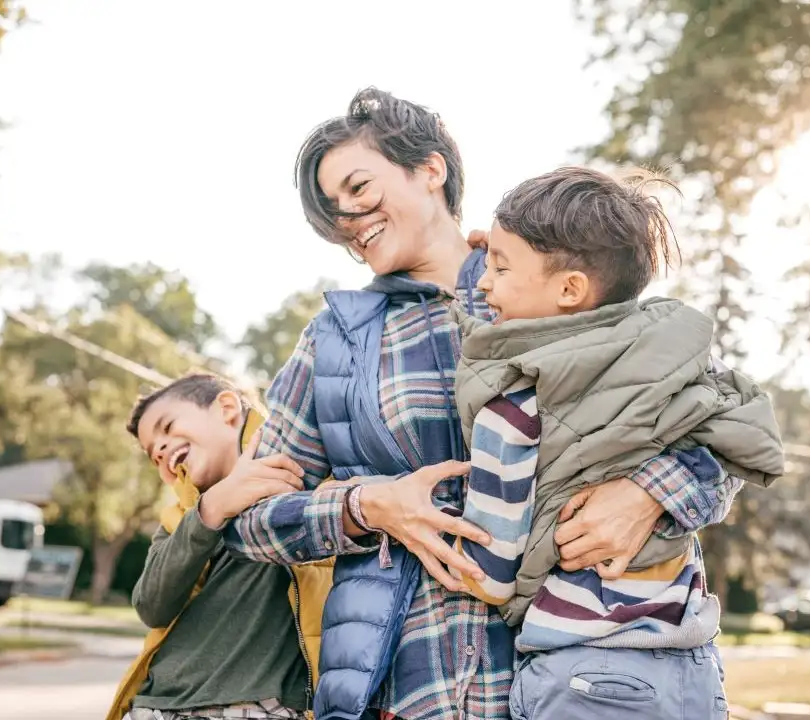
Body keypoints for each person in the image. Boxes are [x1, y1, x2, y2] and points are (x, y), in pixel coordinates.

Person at [198, 87, 747, 720]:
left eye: (358, 187)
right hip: (410, 686)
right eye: (332, 210)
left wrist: (648, 494)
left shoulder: (559, 270)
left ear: (430, 169)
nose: (346, 218)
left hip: (596, 677)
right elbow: (252, 518)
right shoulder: (334, 342)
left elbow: (726, 426)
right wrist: (367, 504)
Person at [452, 166, 785, 719]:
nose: (485, 283)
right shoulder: (679, 357)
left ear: (569, 289)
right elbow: (748, 437)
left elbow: (492, 568)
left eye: (500, 268)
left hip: (584, 669)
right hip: (691, 660)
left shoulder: (513, 403)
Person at [109, 374, 333, 720]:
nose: (162, 450)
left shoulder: (302, 465)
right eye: (154, 455)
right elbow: (150, 606)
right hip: (160, 705)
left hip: (264, 704)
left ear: (227, 409)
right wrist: (211, 510)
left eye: (167, 428)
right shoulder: (179, 520)